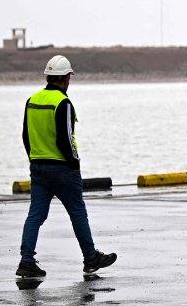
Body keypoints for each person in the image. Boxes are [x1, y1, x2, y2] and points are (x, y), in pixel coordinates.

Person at [16, 55, 117, 278]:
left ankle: (26, 261)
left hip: (38, 168)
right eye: (69, 77)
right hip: (63, 170)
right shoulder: (63, 103)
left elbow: (25, 136)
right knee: (78, 214)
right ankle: (91, 259)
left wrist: (34, 160)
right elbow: (66, 139)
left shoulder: (32, 100)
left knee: (35, 216)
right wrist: (75, 164)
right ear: (65, 79)